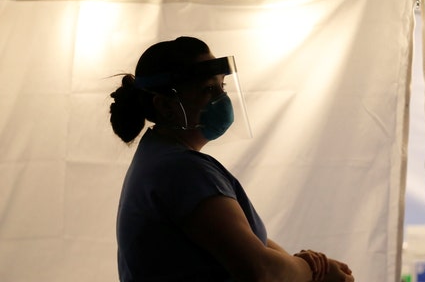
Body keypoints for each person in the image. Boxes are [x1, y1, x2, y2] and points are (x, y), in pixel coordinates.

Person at [109, 36, 354, 282]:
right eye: (208, 89)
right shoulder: (182, 170)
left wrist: (304, 266)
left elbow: (246, 240)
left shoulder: (158, 157)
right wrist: (314, 272)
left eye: (222, 87)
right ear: (165, 106)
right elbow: (260, 271)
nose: (222, 99)